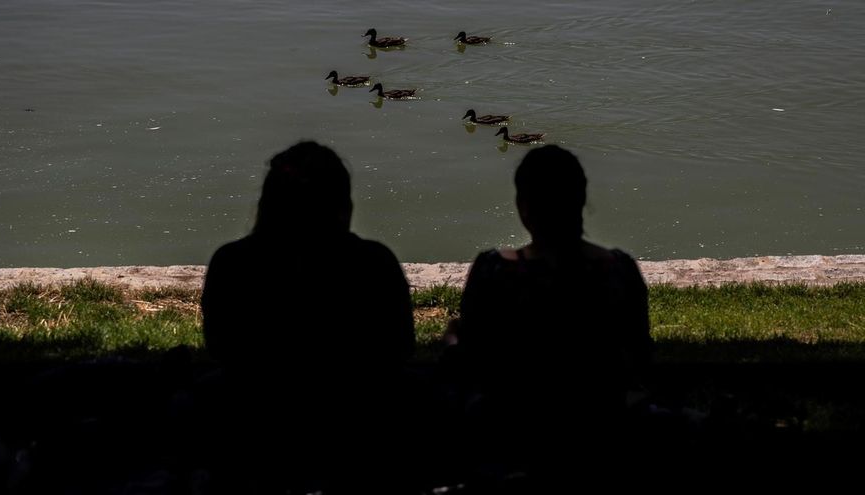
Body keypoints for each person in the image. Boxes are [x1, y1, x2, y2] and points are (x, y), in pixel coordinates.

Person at [199, 141, 415, 491]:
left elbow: (219, 348)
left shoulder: (233, 263)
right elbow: (401, 348)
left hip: (255, 419)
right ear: (343, 205)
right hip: (360, 422)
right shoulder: (374, 263)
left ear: (266, 205)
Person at [449, 145, 653, 480]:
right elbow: (641, 360)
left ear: (522, 208)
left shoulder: (493, 272)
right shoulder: (620, 271)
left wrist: (453, 342)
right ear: (581, 202)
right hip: (600, 435)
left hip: (512, 437)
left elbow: (473, 365)